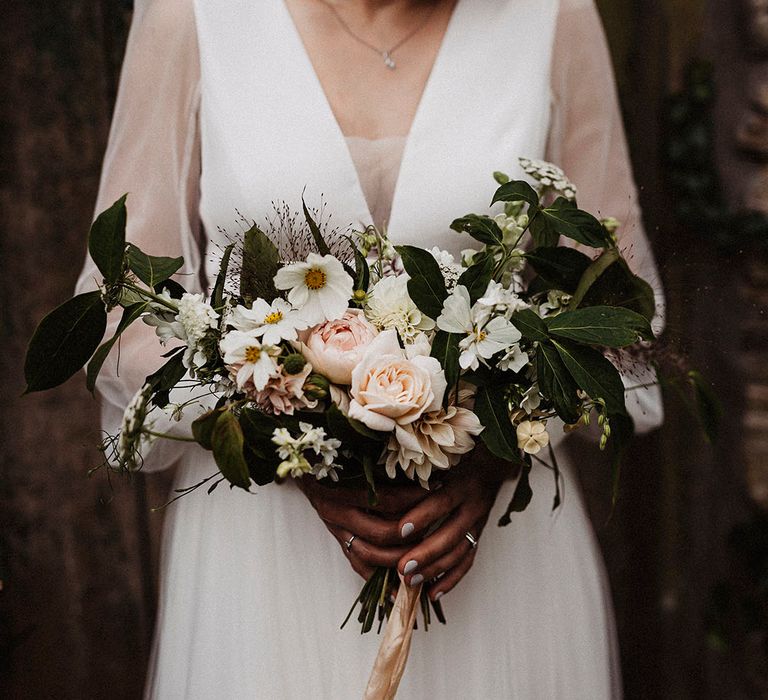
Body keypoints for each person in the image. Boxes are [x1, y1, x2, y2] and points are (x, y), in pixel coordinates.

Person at [75, 0, 665, 697]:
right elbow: (123, 311)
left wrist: (498, 455)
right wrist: (286, 441)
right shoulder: (192, 15)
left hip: (488, 549)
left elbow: (619, 308)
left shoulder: (553, 15)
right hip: (265, 549)